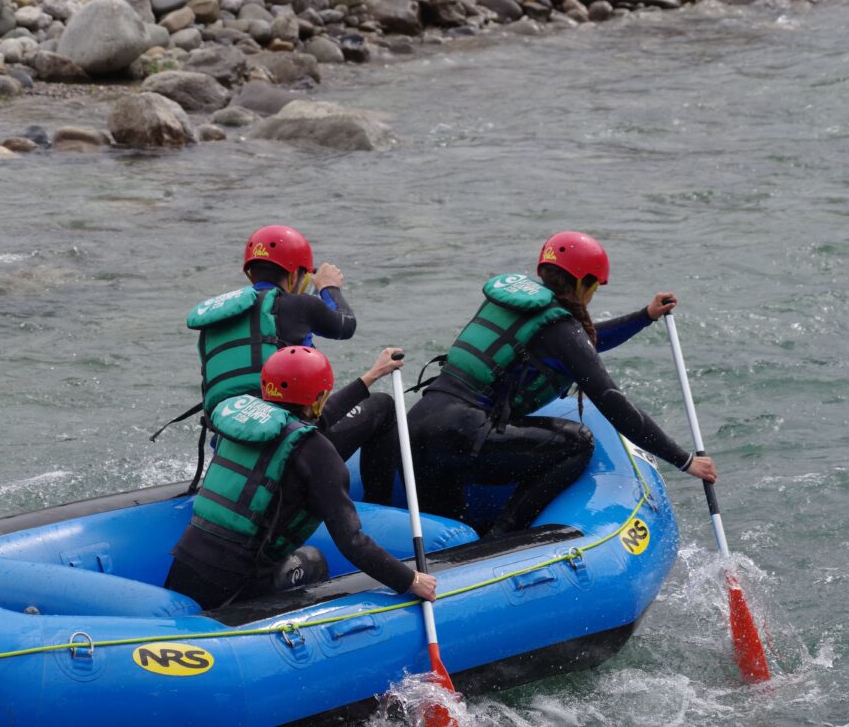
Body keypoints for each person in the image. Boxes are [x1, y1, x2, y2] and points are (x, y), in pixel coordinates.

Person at [407, 231, 718, 537]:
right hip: (462, 437)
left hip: (418, 428)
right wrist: (685, 460)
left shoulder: (521, 309)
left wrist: (645, 316)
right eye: (595, 285)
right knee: (577, 443)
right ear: (583, 283)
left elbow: (581, 343)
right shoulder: (559, 329)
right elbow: (614, 403)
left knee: (446, 533)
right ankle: (504, 536)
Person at [165, 345, 437, 609]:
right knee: (313, 559)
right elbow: (352, 541)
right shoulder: (318, 454)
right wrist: (410, 579)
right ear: (318, 398)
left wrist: (372, 375)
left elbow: (309, 419)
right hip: (239, 586)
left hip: (185, 565)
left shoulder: (247, 425)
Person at [186, 224, 400, 502]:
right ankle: (379, 508)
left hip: (231, 449)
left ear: (249, 272)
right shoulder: (301, 305)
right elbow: (345, 325)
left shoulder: (215, 323)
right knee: (382, 406)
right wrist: (328, 287)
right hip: (292, 452)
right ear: (293, 274)